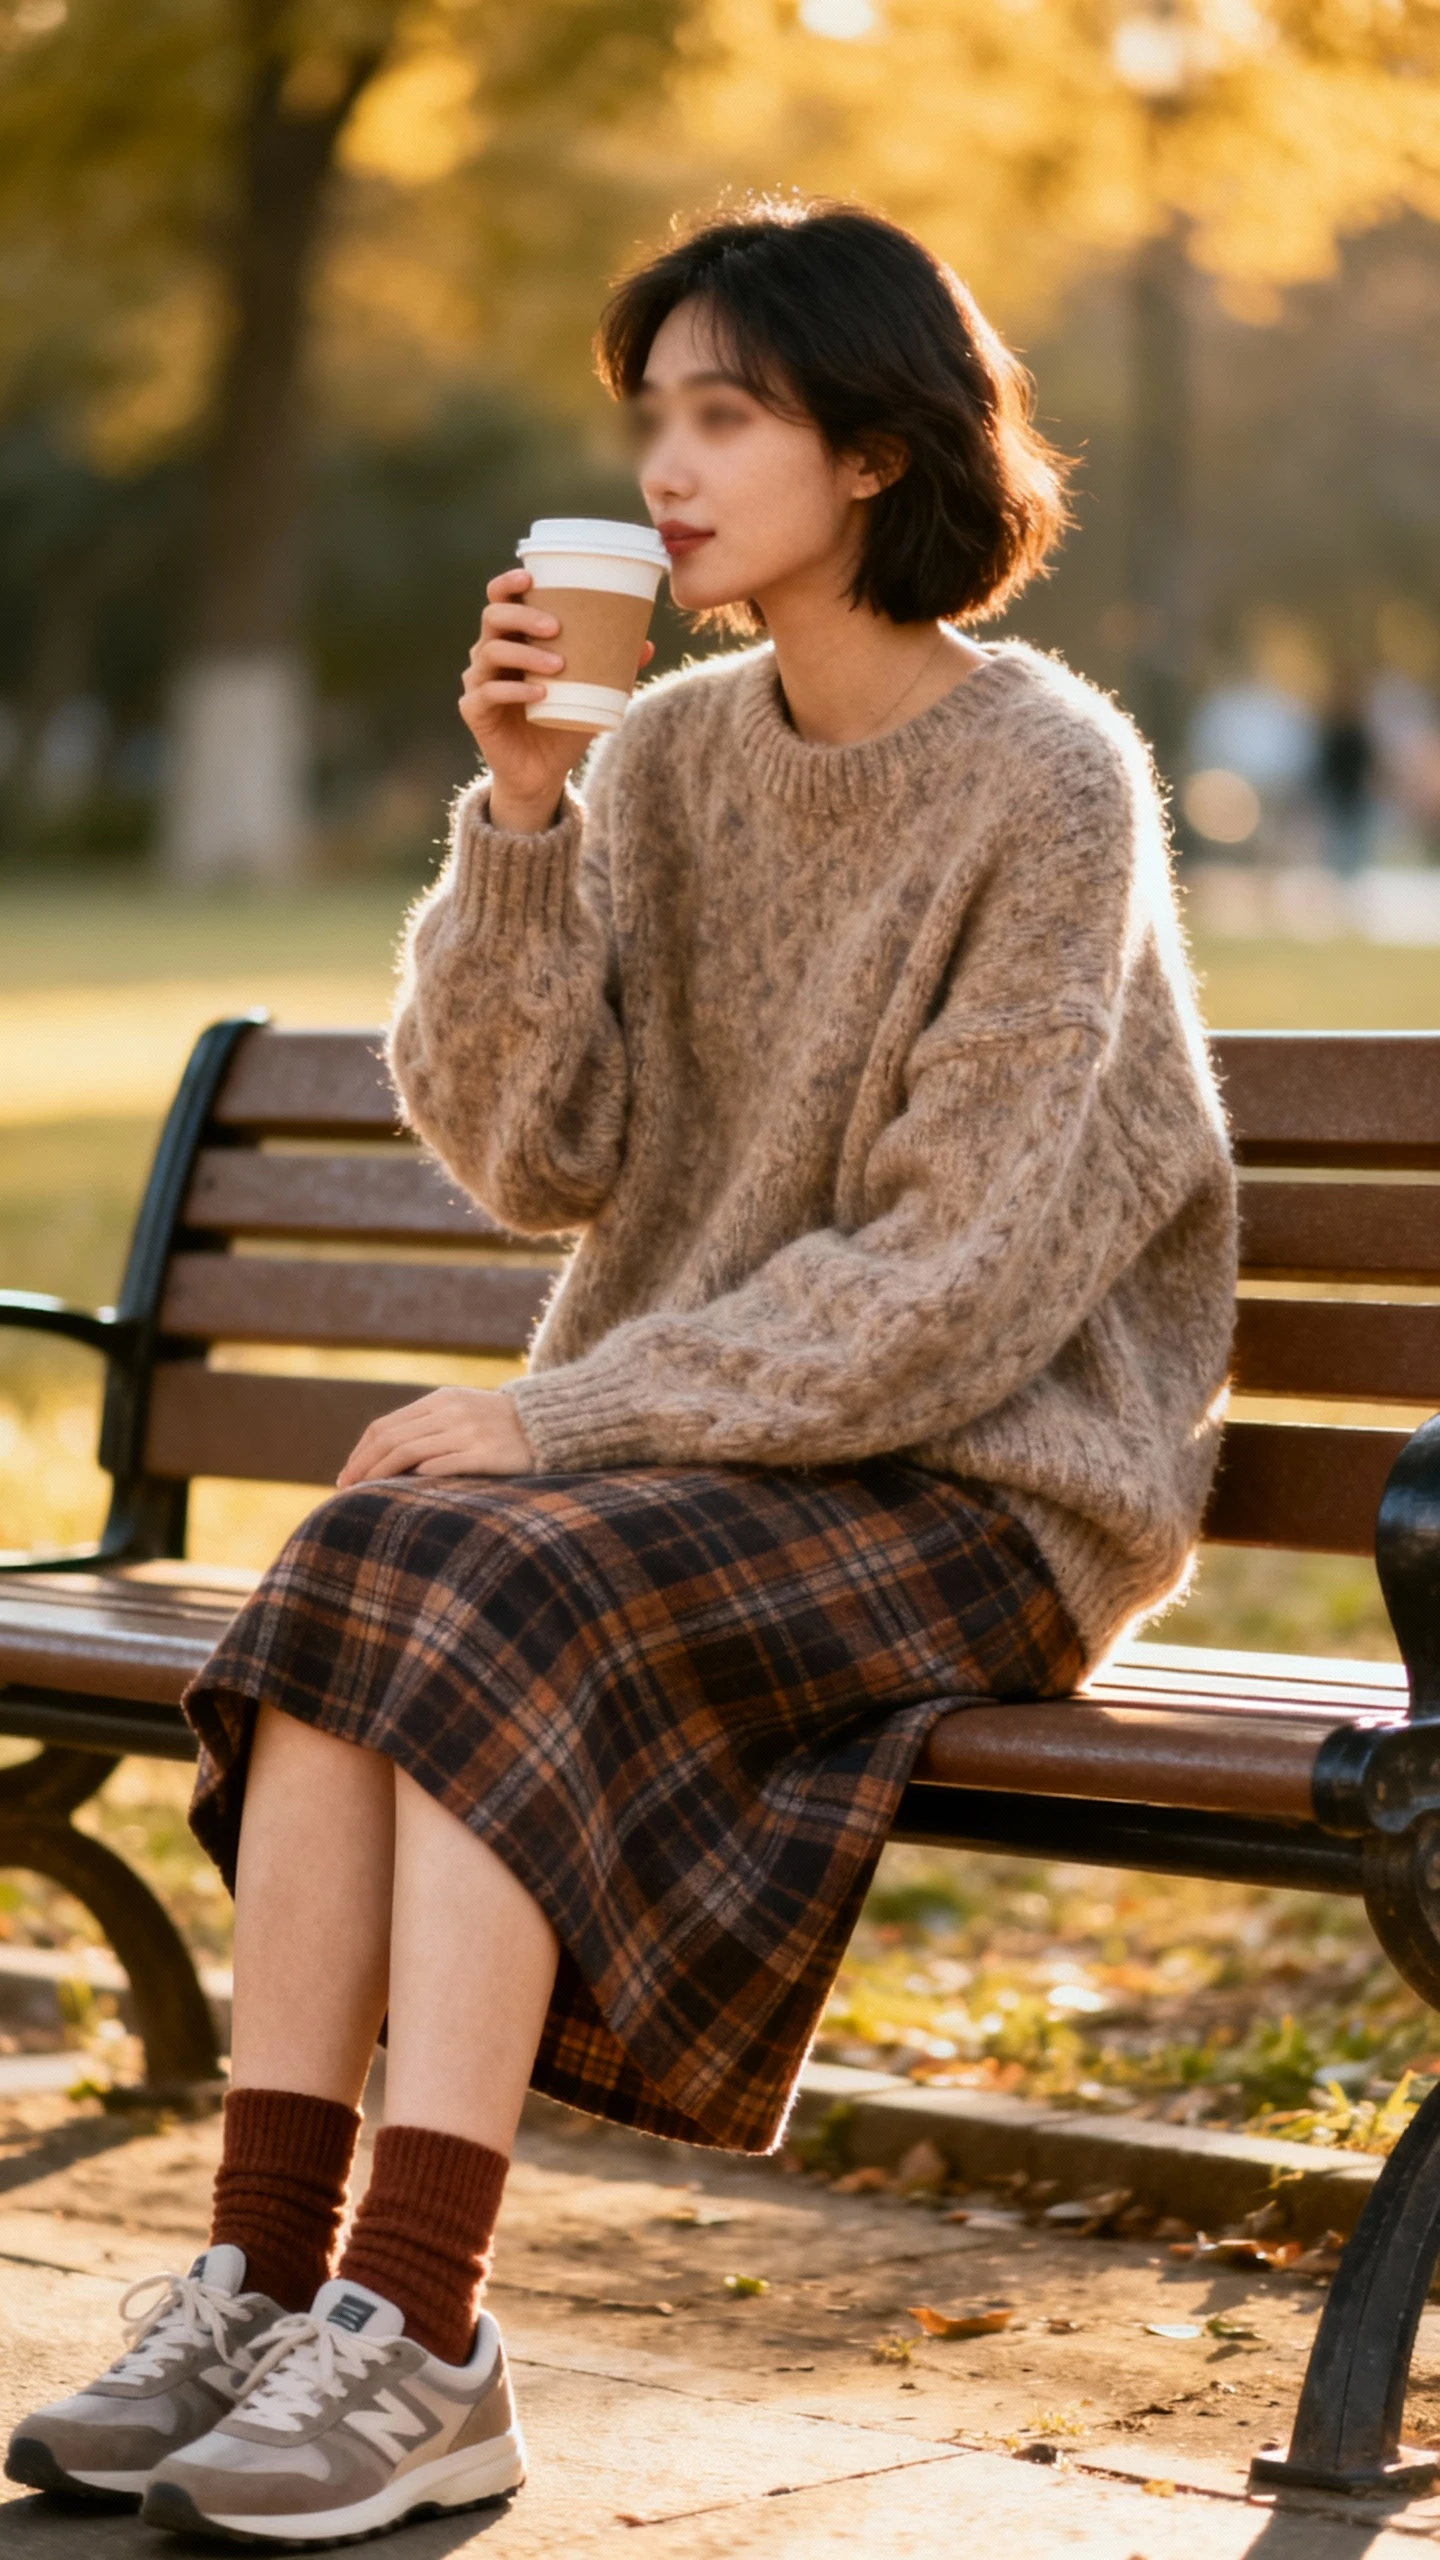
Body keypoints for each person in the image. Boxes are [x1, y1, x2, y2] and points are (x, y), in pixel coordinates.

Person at [7, 197, 1236, 2545]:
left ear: (873, 452)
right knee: (380, 1553)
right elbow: (533, 1149)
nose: (666, 470)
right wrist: (527, 814)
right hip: (718, 1449)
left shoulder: (1050, 778)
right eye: (648, 419)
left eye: (726, 416)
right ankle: (266, 2274)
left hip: (992, 1476)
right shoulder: (665, 750)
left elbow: (960, 1278)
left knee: (496, 1571)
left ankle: (426, 2324)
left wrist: (557, 1416)